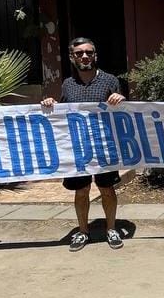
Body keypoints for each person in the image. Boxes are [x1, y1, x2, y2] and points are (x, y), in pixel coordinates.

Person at [41, 37, 126, 252]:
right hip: (77, 148)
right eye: (79, 53)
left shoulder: (110, 81)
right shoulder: (68, 84)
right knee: (81, 190)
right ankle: (83, 231)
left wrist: (120, 98)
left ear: (95, 55)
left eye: (89, 52)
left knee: (106, 189)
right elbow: (62, 112)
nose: (85, 56)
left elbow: (125, 111)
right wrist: (51, 104)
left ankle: (111, 229)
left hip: (104, 145)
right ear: (72, 57)